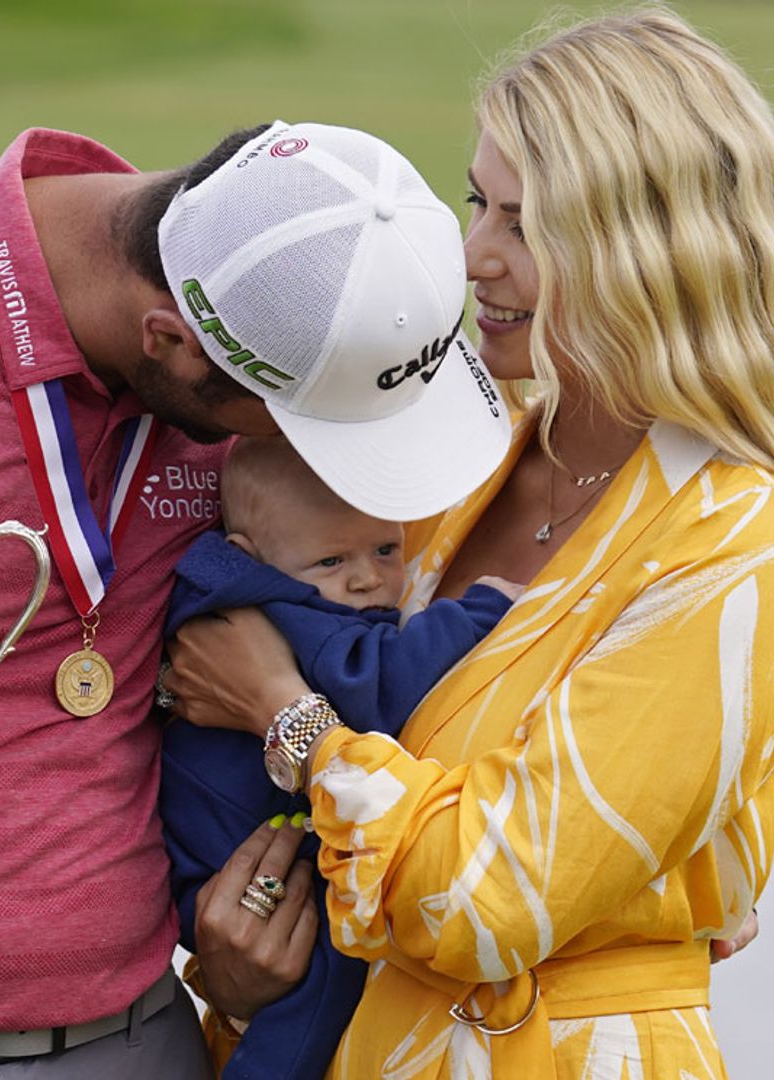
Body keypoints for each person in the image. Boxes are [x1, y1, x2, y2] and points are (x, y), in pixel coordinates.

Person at [0, 120, 511, 1077]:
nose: (321, 465)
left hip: (144, 1034)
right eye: (302, 432)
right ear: (169, 341)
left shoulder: (276, 317)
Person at [164, 9, 774, 1078]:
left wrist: (284, 714)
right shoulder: (450, 473)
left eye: (527, 227)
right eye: (474, 203)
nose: (472, 257)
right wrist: (241, 961)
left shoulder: (734, 541)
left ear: (650, 250)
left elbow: (487, 901)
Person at [160, 435, 519, 1078]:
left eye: (386, 548)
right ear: (251, 554)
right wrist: (479, 612)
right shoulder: (280, 611)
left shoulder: (261, 586)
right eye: (331, 560)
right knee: (327, 975)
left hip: (219, 852)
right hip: (240, 861)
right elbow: (372, 686)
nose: (366, 578)